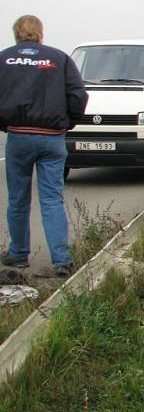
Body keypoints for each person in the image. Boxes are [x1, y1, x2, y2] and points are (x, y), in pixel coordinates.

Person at [0, 15, 87, 277]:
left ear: (17, 33)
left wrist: (5, 124)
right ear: (40, 34)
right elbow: (78, 95)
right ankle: (61, 261)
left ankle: (18, 254)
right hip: (52, 138)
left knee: (17, 199)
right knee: (52, 199)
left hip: (18, 138)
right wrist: (68, 123)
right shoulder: (59, 58)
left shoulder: (4, 59)